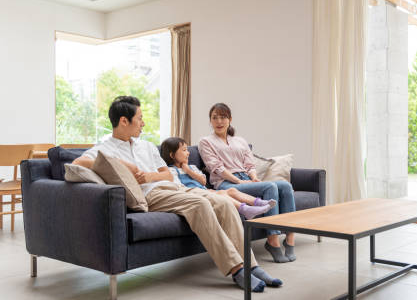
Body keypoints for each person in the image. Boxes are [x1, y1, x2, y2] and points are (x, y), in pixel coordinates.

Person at [73, 96, 281, 292]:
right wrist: (119, 163)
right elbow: (76, 164)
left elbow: (167, 174)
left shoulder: (146, 146)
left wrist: (149, 176)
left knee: (224, 202)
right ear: (124, 121)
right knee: (199, 205)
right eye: (140, 119)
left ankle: (252, 265)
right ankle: (237, 269)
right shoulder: (105, 148)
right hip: (150, 196)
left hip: (173, 188)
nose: (143, 123)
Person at [198, 103, 297, 263]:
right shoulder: (206, 141)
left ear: (230, 119)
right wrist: (239, 181)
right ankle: (272, 240)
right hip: (226, 183)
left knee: (285, 186)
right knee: (270, 186)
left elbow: (249, 164)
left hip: (245, 179)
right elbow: (216, 168)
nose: (219, 121)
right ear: (210, 121)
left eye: (223, 117)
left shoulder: (240, 141)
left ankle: (290, 237)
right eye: (214, 118)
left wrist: (253, 178)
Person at [160, 137, 276, 220]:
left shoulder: (192, 167)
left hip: (205, 191)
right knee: (222, 194)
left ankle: (258, 202)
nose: (188, 153)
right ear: (172, 155)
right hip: (194, 196)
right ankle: (244, 209)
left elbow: (203, 181)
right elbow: (178, 189)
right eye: (184, 150)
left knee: (232, 190)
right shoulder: (170, 171)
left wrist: (188, 170)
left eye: (187, 149)